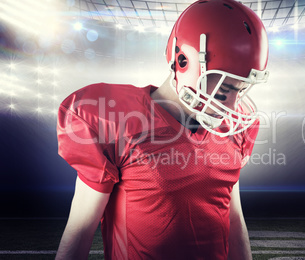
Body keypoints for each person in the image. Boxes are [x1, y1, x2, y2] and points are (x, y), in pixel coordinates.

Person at [55, 0, 269, 259]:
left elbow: (234, 220)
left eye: (240, 89)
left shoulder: (232, 128)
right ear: (183, 61)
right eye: (224, 89)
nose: (232, 106)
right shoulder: (119, 124)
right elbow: (80, 232)